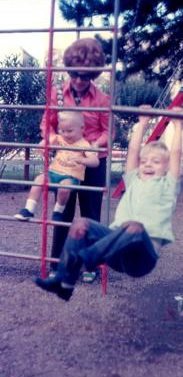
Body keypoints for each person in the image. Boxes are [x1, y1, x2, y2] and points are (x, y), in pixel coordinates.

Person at [34, 107, 183, 301]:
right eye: (145, 161)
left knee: (134, 226)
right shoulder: (133, 180)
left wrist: (179, 125)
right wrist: (143, 122)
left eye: (156, 162)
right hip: (116, 249)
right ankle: (64, 283)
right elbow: (133, 151)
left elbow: (176, 155)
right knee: (81, 225)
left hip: (142, 257)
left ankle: (86, 258)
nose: (148, 164)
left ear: (166, 168)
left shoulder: (168, 186)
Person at [40, 37, 111, 281]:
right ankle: (56, 263)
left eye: (86, 76)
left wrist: (93, 145)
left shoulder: (102, 99)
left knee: (90, 215)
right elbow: (47, 123)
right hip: (66, 162)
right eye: (75, 75)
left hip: (92, 162)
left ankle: (90, 265)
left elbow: (108, 131)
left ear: (94, 74)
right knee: (63, 212)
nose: (80, 81)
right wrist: (51, 138)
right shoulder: (57, 94)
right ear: (69, 69)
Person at [15, 111, 99, 222]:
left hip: (70, 177)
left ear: (82, 128)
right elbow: (46, 142)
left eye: (70, 131)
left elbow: (95, 161)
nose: (66, 134)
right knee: (38, 180)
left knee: (64, 188)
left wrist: (82, 160)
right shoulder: (60, 139)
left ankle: (58, 212)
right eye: (62, 130)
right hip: (53, 173)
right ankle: (29, 210)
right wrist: (43, 147)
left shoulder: (84, 144)